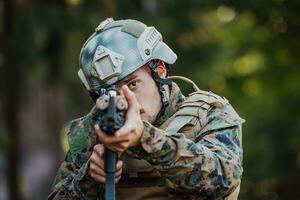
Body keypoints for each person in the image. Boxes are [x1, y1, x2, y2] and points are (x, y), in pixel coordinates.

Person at [48, 18, 245, 200]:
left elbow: (225, 179)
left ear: (159, 69)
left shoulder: (208, 112)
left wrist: (144, 137)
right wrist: (89, 179)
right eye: (109, 94)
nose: (125, 100)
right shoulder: (93, 130)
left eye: (132, 84)